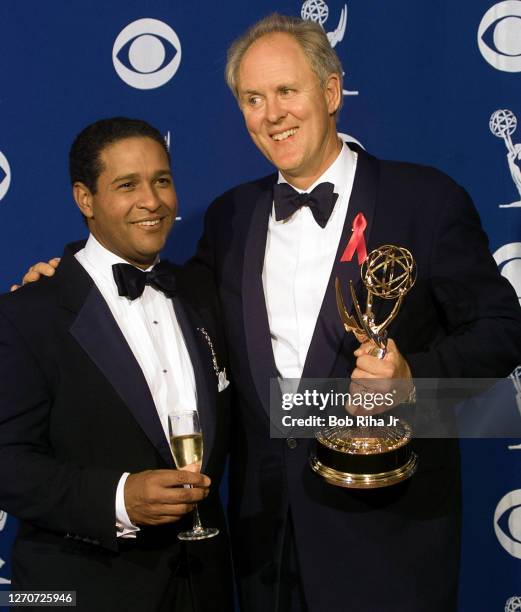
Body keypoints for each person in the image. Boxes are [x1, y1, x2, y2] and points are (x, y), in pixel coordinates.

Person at [17, 15, 521, 612]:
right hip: (261, 539)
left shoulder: (426, 200)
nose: (272, 113)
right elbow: (166, 299)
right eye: (253, 99)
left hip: (388, 532)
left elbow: (502, 331)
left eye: (287, 91)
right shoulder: (231, 217)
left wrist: (414, 380)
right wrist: (74, 277)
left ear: (331, 93)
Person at [0, 117, 233, 611]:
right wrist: (119, 499)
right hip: (82, 589)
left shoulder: (202, 295)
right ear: (85, 199)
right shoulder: (27, 314)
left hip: (202, 585)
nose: (152, 201)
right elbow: (7, 462)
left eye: (162, 181)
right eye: (127, 185)